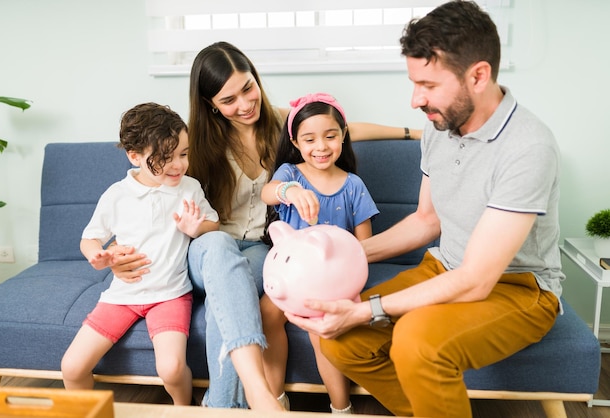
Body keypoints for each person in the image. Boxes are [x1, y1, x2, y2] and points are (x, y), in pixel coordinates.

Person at [285, 2, 564, 417]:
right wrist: (336, 256)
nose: (416, 99)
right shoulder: (441, 127)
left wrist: (365, 309)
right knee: (340, 340)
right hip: (444, 266)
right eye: (414, 83)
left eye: (428, 84)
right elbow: (425, 221)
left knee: (417, 341)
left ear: (478, 75)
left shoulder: (528, 147)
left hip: (520, 287)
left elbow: (476, 280)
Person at [107, 41, 420, 411]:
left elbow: (339, 128)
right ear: (210, 104)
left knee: (234, 287)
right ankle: (256, 390)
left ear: (256, 78)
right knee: (221, 249)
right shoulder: (193, 143)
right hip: (204, 247)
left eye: (248, 88)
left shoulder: (280, 123)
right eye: (228, 100)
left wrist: (412, 133)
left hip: (259, 252)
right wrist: (117, 250)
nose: (244, 104)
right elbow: (146, 190)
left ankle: (224, 407)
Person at [60, 103, 220, 406]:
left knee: (171, 369)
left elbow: (214, 223)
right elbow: (89, 238)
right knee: (72, 366)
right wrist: (99, 255)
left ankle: (184, 410)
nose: (178, 165)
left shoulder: (189, 188)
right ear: (135, 156)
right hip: (122, 296)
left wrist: (196, 227)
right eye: (164, 158)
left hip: (170, 295)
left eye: (183, 154)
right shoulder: (117, 195)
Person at [260, 92, 380, 414]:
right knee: (265, 315)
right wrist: (290, 191)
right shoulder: (291, 174)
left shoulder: (353, 185)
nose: (321, 147)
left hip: (333, 283)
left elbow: (364, 246)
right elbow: (268, 193)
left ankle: (341, 408)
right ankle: (275, 401)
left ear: (343, 135)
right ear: (296, 142)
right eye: (309, 139)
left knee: (321, 335)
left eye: (330, 136)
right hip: (291, 278)